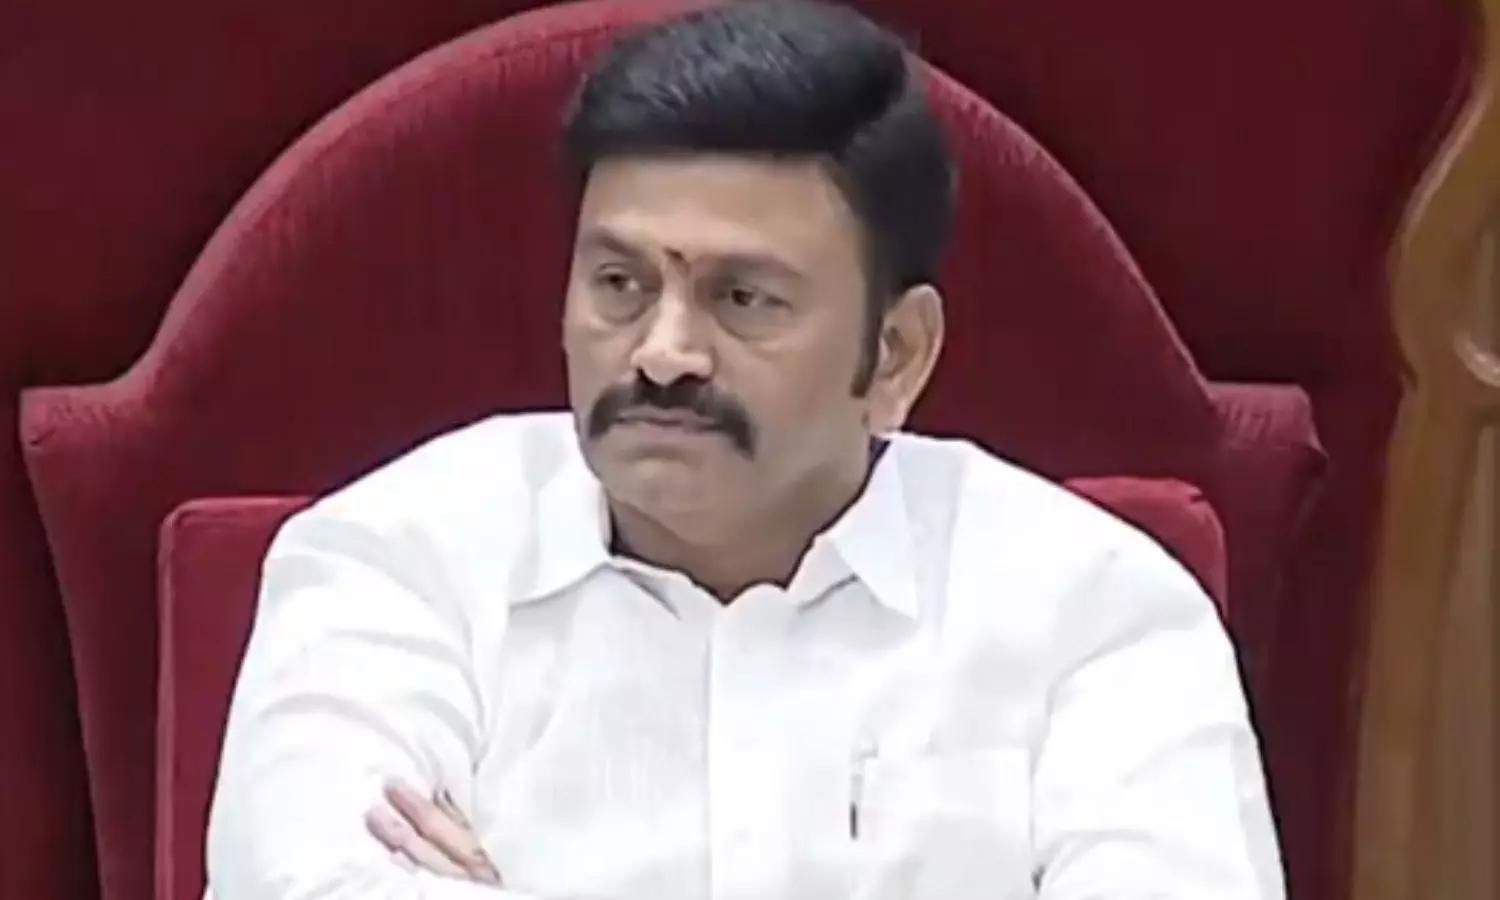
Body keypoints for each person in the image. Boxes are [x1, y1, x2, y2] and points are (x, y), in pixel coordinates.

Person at [204, 1, 1284, 898]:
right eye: (620, 285)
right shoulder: (396, 563)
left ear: (896, 354)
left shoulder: (1098, 618)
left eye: (744, 299)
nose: (664, 353)